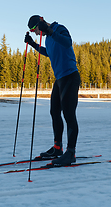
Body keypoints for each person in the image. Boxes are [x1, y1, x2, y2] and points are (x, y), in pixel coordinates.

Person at [24, 15, 81, 166]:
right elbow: (49, 53)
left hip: (70, 76)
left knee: (69, 114)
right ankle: (57, 148)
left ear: (40, 23)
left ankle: (71, 152)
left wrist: (49, 31)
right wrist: (33, 44)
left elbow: (67, 43)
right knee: (54, 112)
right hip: (60, 79)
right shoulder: (47, 38)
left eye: (34, 29)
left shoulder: (59, 29)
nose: (35, 32)